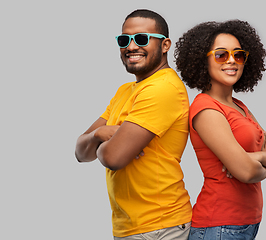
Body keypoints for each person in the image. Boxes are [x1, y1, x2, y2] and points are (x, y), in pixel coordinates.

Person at [75, 9, 192, 239]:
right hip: (130, 226)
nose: (131, 46)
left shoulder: (163, 88)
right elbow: (81, 152)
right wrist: (101, 133)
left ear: (165, 44)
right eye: (124, 39)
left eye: (141, 39)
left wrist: (106, 142)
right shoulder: (125, 91)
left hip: (160, 226)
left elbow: (113, 158)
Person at [174, 20, 266, 240]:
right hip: (219, 226)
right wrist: (261, 166)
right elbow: (247, 172)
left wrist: (255, 157)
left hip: (246, 223)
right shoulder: (205, 108)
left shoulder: (239, 106)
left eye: (239, 55)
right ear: (202, 60)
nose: (231, 61)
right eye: (221, 55)